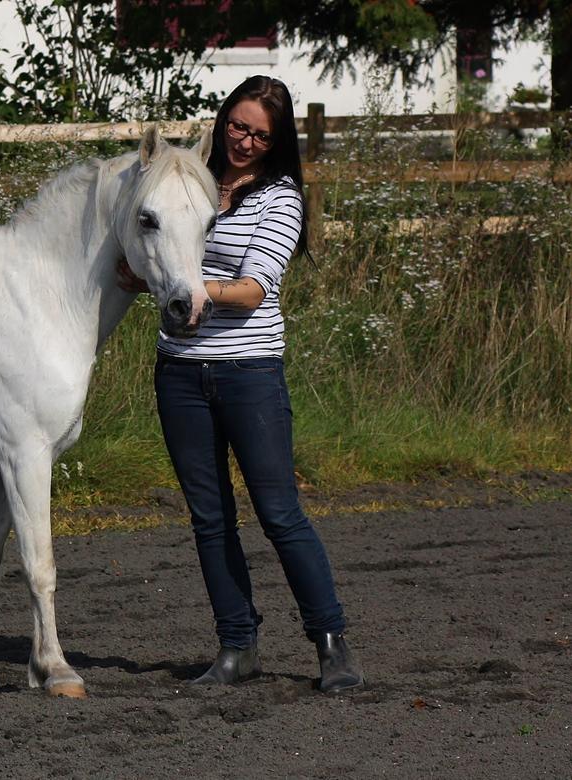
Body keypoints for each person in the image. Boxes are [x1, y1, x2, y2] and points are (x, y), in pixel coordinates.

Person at [118, 75, 363, 693]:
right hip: (179, 372)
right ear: (224, 119)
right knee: (209, 517)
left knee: (279, 512)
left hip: (249, 372)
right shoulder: (189, 180)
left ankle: (330, 643)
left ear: (275, 142)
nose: (245, 140)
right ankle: (236, 645)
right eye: (237, 125)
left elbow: (256, 290)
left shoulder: (280, 200)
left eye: (259, 134)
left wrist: (194, 292)